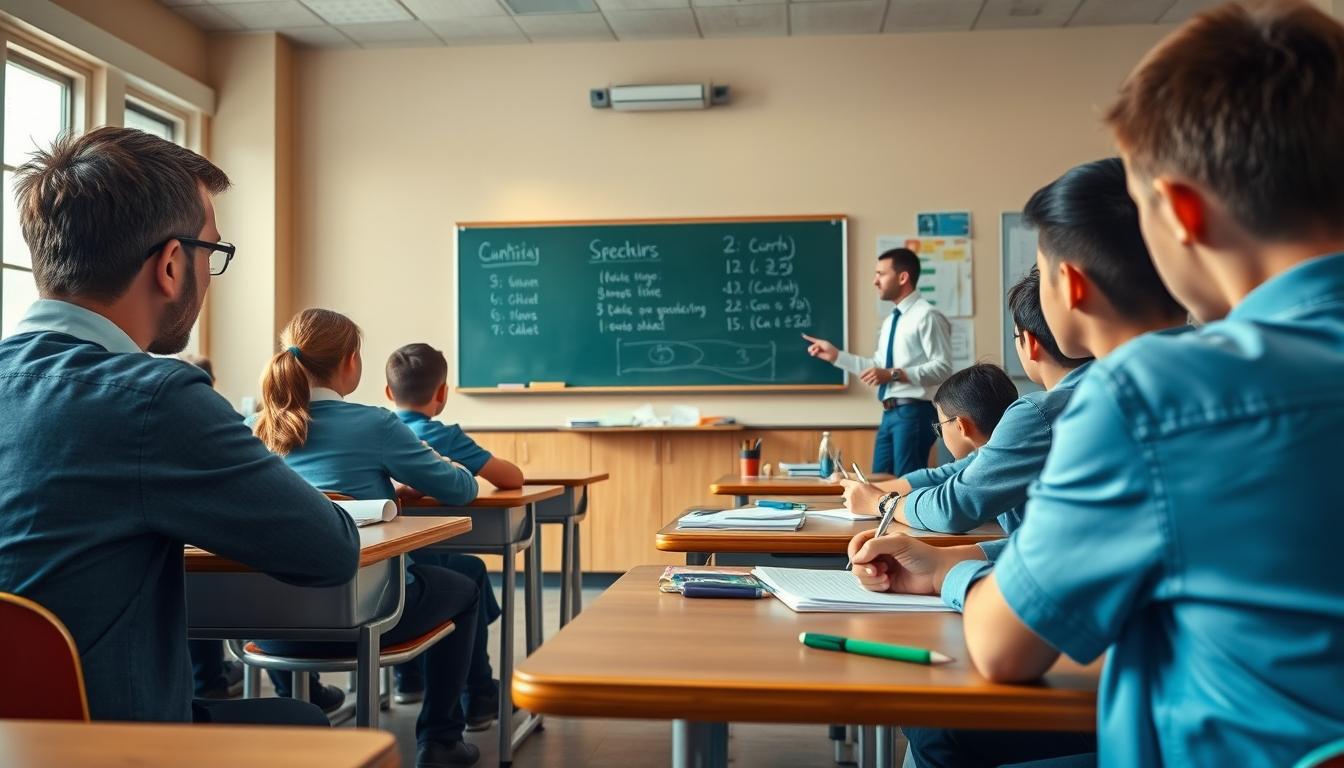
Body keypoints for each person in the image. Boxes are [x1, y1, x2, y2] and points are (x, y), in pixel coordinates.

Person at [853, 3, 1344, 764]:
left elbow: (1005, 647)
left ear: (1179, 214)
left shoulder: (1156, 395)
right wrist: (957, 563)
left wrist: (954, 580)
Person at [0, 127, 354, 727]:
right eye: (211, 252)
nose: (210, 273)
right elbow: (330, 552)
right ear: (170, 264)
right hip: (109, 743)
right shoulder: (152, 399)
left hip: (18, 737)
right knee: (304, 725)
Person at [253, 308, 484, 767]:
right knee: (468, 583)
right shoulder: (374, 424)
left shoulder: (254, 429)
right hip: (367, 617)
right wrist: (443, 470)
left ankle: (303, 702)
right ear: (350, 362)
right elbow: (461, 489)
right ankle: (441, 740)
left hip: (269, 627)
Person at [385, 342, 522, 725]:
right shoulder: (443, 437)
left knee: (423, 566)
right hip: (420, 565)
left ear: (388, 392)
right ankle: (478, 692)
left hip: (382, 561)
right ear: (443, 392)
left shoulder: (379, 430)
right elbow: (512, 478)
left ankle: (408, 678)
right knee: (467, 572)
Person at [802, 247, 953, 476]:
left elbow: (943, 367)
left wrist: (893, 374)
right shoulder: (891, 321)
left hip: (914, 412)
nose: (875, 281)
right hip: (889, 413)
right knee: (878, 482)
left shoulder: (927, 315)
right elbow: (878, 368)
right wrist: (836, 356)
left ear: (903, 277)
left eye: (881, 274)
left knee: (905, 485)